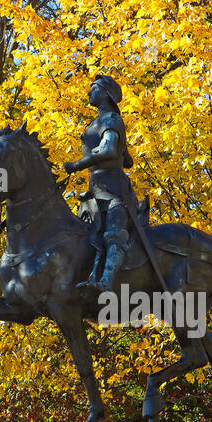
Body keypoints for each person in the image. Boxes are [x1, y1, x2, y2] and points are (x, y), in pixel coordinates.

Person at [64, 75, 142, 294]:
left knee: (113, 235)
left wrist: (78, 164)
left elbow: (108, 150)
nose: (89, 93)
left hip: (114, 190)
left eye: (94, 89)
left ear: (106, 93)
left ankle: (106, 282)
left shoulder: (111, 119)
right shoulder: (98, 123)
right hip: (95, 191)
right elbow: (128, 160)